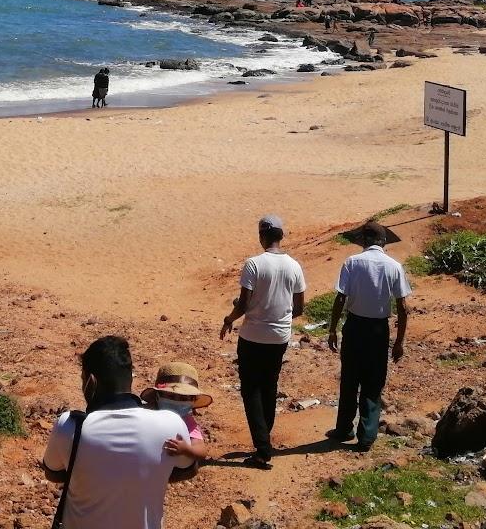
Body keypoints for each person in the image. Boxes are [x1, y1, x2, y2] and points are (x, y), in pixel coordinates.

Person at [42, 336, 196, 529]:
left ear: (90, 381)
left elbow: (53, 473)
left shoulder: (70, 426)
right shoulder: (170, 424)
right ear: (130, 377)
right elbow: (188, 469)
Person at [220, 213, 306, 468]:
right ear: (281, 236)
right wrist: (279, 313)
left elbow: (244, 303)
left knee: (251, 390)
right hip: (279, 336)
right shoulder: (294, 265)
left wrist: (229, 318)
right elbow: (299, 307)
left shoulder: (253, 264)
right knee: (269, 386)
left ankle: (262, 448)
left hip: (252, 336)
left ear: (262, 236)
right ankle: (264, 441)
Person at [325, 221, 411, 451]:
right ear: (384, 242)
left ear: (364, 241)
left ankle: (343, 429)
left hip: (354, 327)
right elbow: (403, 307)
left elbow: (340, 298)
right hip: (378, 330)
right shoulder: (394, 266)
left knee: (350, 379)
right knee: (373, 382)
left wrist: (332, 328)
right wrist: (399, 341)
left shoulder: (352, 263)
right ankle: (367, 435)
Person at [141, 360, 213, 464]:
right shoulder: (146, 413)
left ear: (193, 401)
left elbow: (201, 451)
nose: (177, 401)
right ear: (158, 395)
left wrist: (186, 450)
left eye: (184, 398)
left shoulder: (187, 421)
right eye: (171, 396)